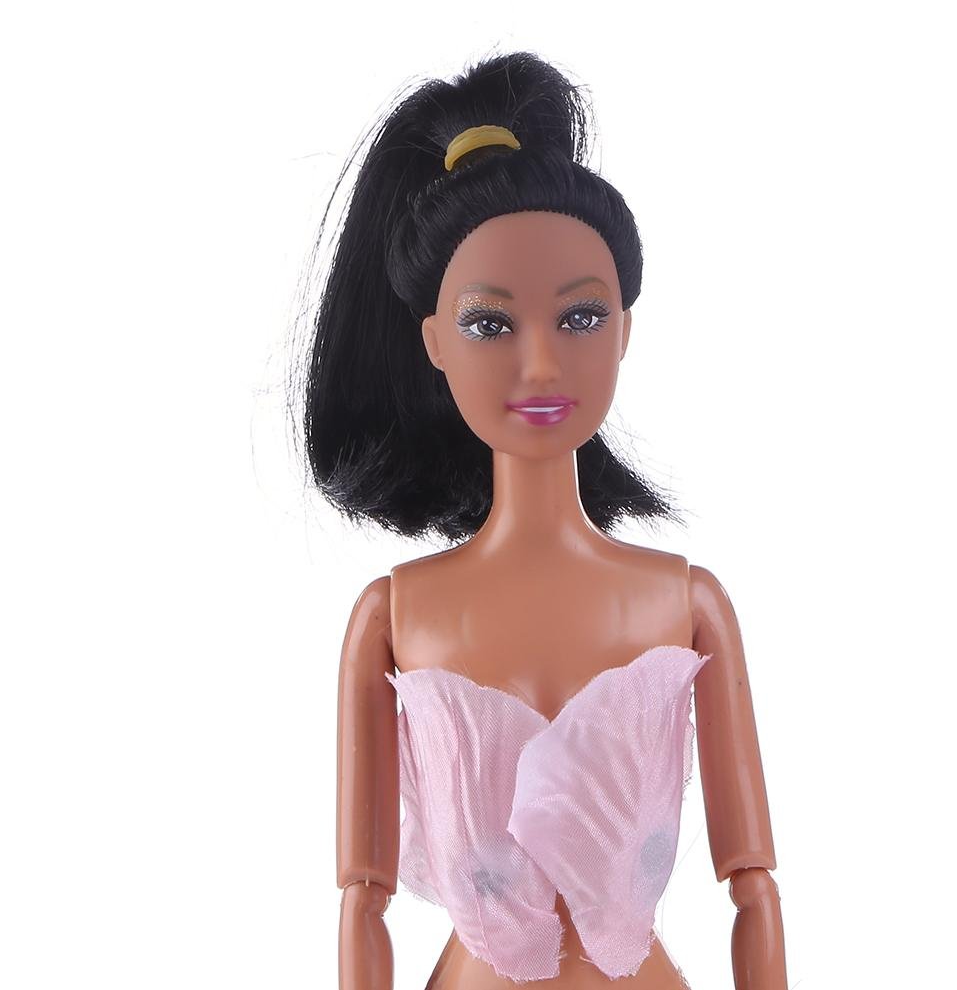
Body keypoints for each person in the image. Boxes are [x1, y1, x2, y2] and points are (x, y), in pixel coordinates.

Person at [292, 50, 788, 990]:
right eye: (490, 324)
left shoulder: (685, 603)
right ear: (434, 343)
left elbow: (753, 884)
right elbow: (362, 896)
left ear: (624, 329)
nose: (542, 364)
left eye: (580, 317)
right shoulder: (394, 616)